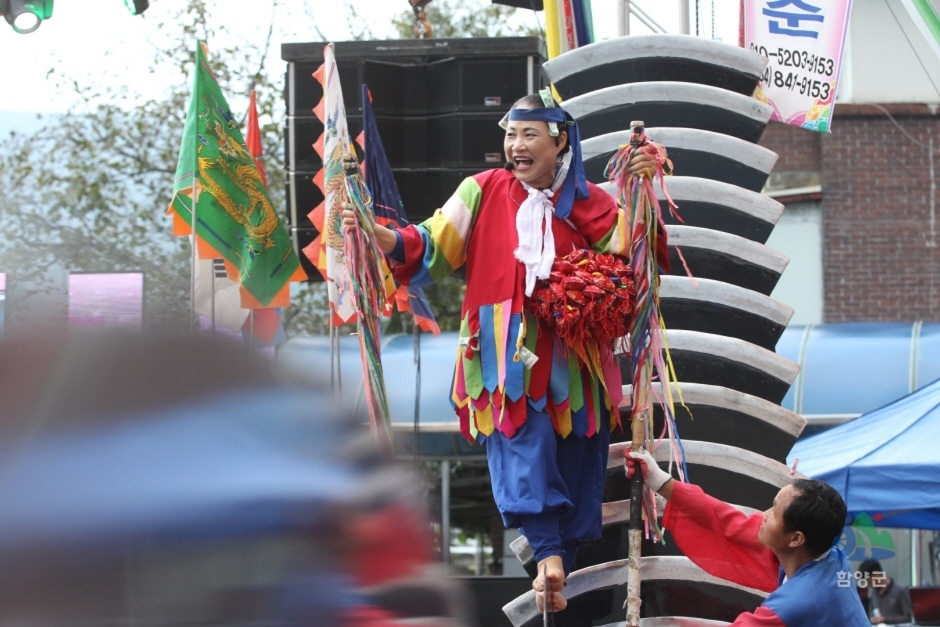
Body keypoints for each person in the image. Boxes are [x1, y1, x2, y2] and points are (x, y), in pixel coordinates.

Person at [344, 89, 658, 613]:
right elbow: (430, 245)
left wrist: (644, 190)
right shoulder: (482, 190)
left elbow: (639, 256)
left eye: (528, 134)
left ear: (560, 142)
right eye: (511, 135)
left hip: (575, 354)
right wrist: (377, 233)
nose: (516, 145)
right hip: (502, 352)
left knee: (579, 450)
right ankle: (549, 556)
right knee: (519, 437)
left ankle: (560, 562)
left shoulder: (589, 200)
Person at [627, 449, 870, 626]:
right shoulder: (826, 551)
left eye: (774, 511)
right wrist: (659, 479)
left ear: (796, 539)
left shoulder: (793, 605)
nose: (763, 515)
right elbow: (728, 521)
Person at [858, 559, 913, 624]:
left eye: (869, 582)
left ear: (876, 574)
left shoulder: (900, 591)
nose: (869, 586)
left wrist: (886, 619)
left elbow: (909, 617)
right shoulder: (874, 594)